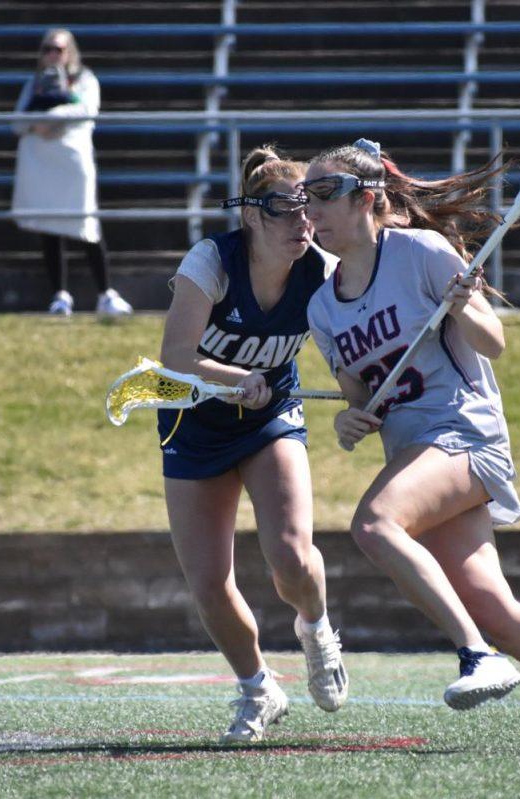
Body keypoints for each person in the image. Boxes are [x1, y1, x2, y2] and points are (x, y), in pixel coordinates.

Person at [304, 138, 520, 750]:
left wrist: (463, 304)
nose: (311, 210)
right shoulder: (321, 307)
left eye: (324, 193)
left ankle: (475, 656)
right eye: (305, 196)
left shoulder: (420, 253)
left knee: (374, 524)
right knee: (492, 604)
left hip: (466, 435)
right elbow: (358, 395)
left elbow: (491, 343)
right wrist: (350, 422)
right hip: (415, 454)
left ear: (368, 198)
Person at [158, 145, 347, 743]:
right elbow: (176, 356)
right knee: (210, 584)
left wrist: (362, 392)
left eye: (308, 210)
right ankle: (259, 690)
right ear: (252, 217)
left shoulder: (321, 267)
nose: (303, 224)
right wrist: (236, 380)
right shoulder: (210, 261)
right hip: (196, 423)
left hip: (271, 417)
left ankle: (316, 630)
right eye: (286, 212)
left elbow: (348, 342)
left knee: (290, 555)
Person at [11, 29, 132, 317]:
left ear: (70, 52)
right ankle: (60, 296)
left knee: (87, 228)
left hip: (73, 166)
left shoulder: (85, 79)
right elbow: (16, 122)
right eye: (47, 49)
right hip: (42, 167)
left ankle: (105, 294)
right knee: (50, 231)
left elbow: (87, 111)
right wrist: (40, 119)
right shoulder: (34, 83)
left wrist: (46, 119)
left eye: (58, 49)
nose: (52, 54)